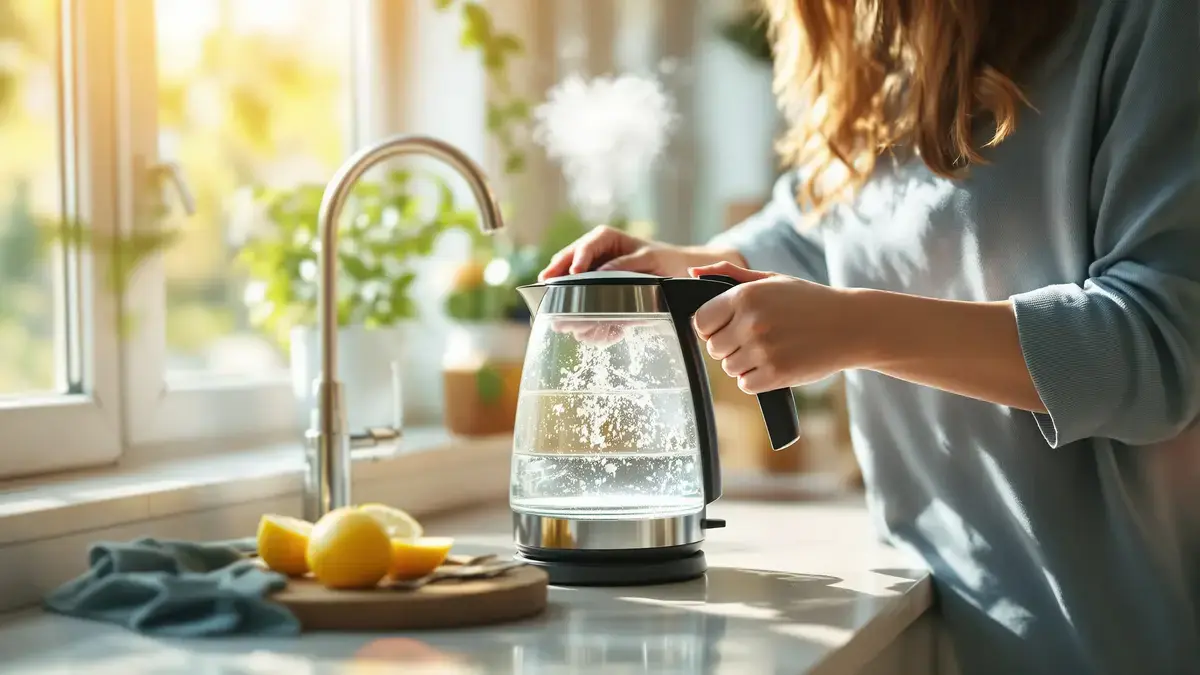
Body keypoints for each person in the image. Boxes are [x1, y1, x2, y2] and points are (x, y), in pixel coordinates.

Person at [538, 0, 1200, 673]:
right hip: (925, 601)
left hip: (1103, 635)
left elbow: (1161, 343)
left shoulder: (1147, 24)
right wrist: (685, 267)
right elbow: (817, 230)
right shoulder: (874, 54)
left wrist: (854, 326)